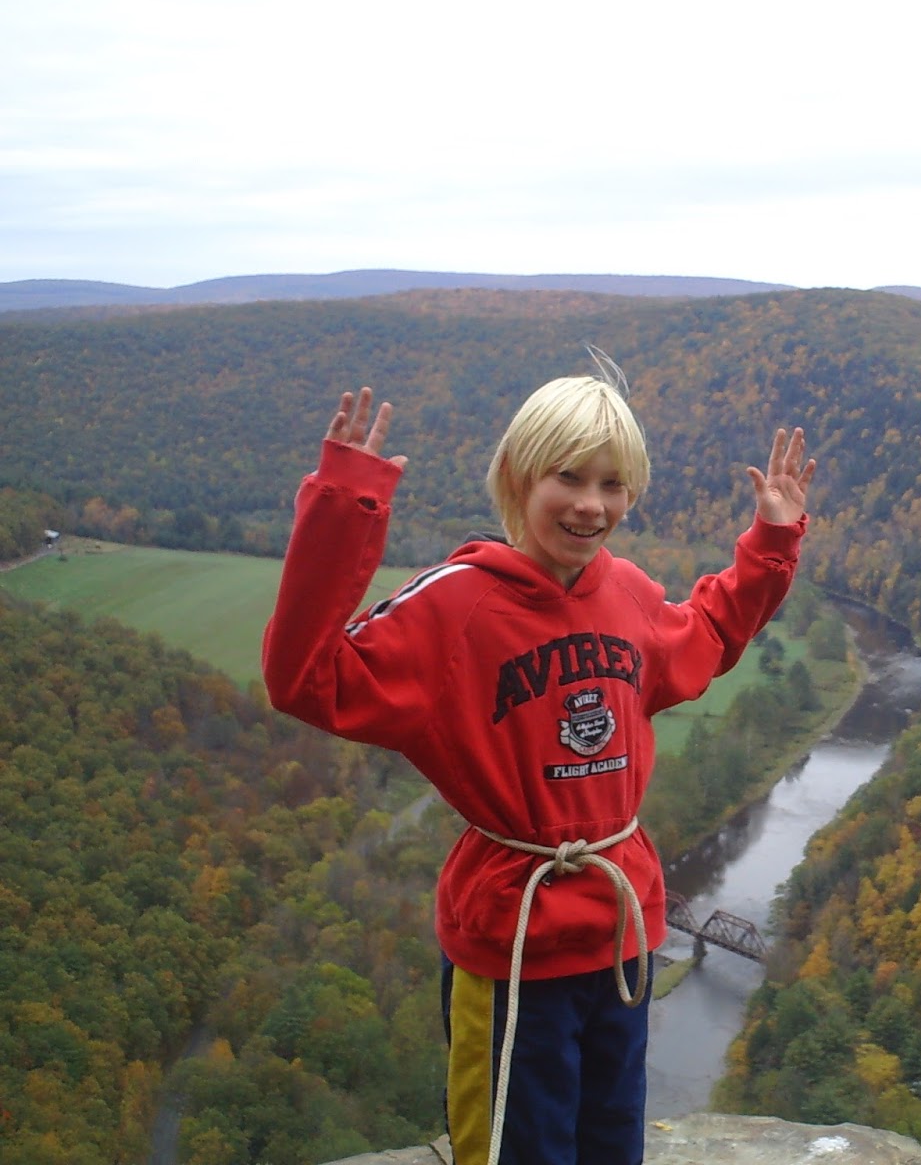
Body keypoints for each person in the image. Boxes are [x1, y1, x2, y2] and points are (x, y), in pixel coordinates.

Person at [262, 355, 816, 1165]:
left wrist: (771, 541)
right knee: (520, 1151)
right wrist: (346, 505)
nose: (593, 505)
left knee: (610, 1141)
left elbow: (706, 633)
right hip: (514, 944)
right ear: (519, 476)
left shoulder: (623, 591)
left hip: (622, 928)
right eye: (569, 477)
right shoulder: (453, 605)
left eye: (614, 484)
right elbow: (306, 680)